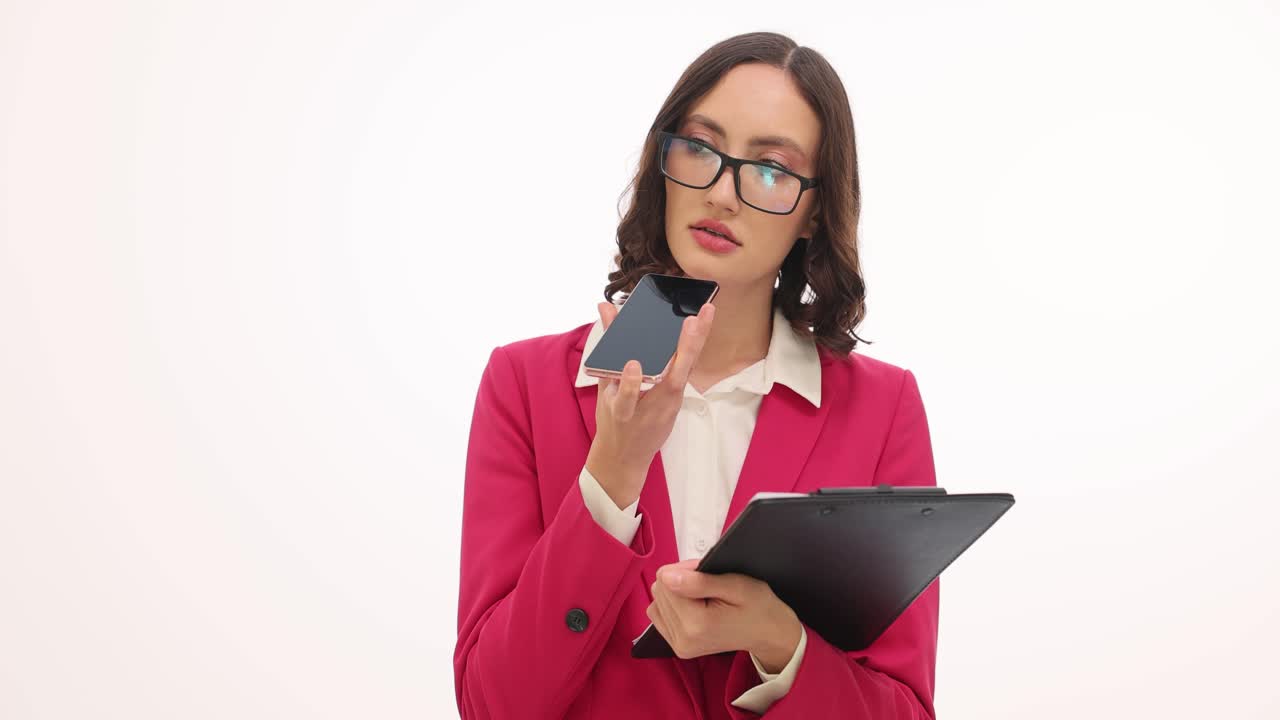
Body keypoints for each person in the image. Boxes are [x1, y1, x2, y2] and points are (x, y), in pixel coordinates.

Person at [454, 31, 938, 719]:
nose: (723, 192)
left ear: (814, 212)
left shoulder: (882, 408)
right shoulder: (524, 386)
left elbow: (906, 710)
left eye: (771, 169)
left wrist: (780, 645)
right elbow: (490, 704)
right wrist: (609, 478)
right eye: (702, 148)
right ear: (665, 160)